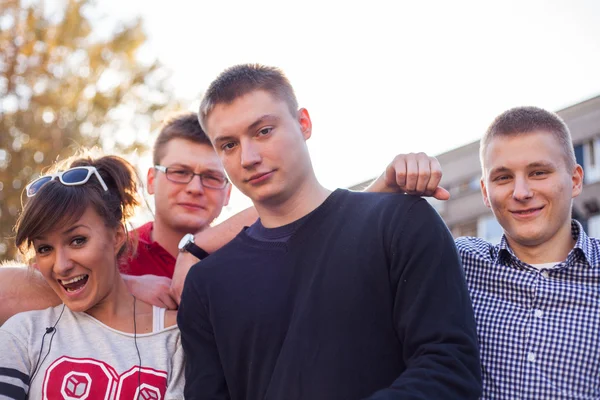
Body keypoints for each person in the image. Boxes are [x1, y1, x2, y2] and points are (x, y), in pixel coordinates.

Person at [177, 64, 482, 399]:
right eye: (229, 145)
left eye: (263, 131)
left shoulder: (400, 222)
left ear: (303, 123)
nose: (248, 157)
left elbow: (449, 369)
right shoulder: (207, 285)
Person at [389, 106, 600, 399]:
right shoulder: (456, 262)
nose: (521, 192)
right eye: (503, 178)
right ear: (486, 193)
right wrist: (384, 191)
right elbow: (347, 263)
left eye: (538, 172)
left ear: (575, 180)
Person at [0, 153, 184, 398]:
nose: (61, 266)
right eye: (45, 249)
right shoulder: (23, 333)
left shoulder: (176, 337)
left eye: (78, 240)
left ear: (117, 236)